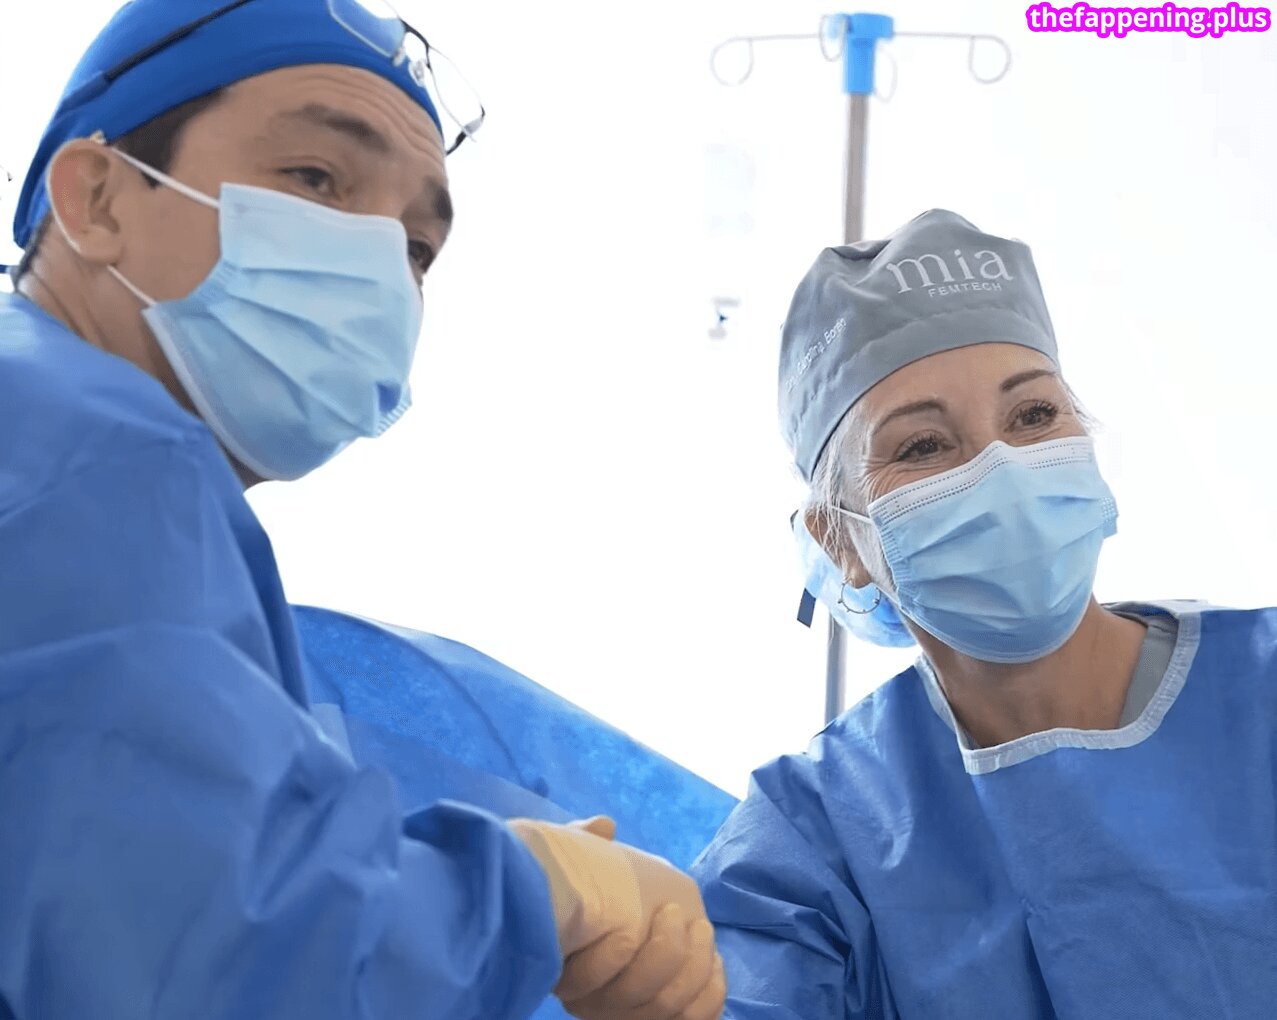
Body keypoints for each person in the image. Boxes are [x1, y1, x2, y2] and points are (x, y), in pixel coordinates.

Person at [0, 2, 726, 1018]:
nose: (378, 265)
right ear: (97, 196)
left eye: (417, 248)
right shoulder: (98, 458)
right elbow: (217, 960)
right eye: (314, 178)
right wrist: (532, 894)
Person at [690, 208, 1277, 1018]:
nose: (1002, 470)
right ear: (839, 540)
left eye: (1033, 416)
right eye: (922, 447)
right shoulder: (814, 844)